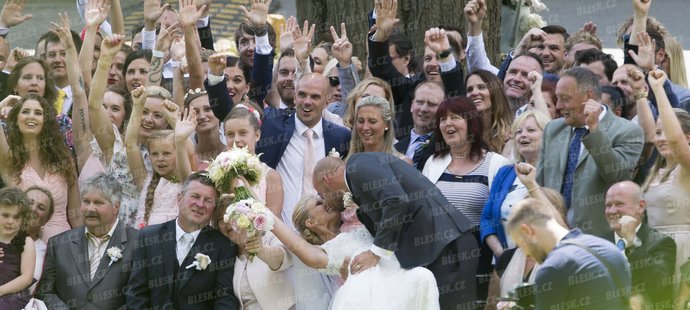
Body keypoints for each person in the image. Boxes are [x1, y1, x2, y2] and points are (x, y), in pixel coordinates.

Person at [313, 154, 480, 309]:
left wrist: (375, 253)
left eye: (322, 194)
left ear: (327, 180)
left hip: (449, 247)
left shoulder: (357, 164)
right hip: (438, 250)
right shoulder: (358, 185)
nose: (326, 202)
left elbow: (396, 201)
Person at [271, 195, 440, 310]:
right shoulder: (321, 254)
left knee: (423, 276)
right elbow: (285, 234)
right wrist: (255, 204)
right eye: (319, 204)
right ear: (311, 222)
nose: (326, 203)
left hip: (397, 279)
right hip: (364, 297)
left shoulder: (363, 224)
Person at [421, 96, 511, 306]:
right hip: (438, 258)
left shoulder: (497, 164)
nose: (447, 123)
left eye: (455, 117)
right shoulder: (433, 163)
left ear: (472, 122)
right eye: (443, 119)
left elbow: (502, 213)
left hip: (480, 258)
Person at [537, 67, 644, 237]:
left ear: (588, 97)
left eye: (565, 99)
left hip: (599, 241)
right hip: (552, 238)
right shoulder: (553, 129)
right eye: (557, 98)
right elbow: (540, 184)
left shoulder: (628, 132)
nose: (558, 106)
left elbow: (615, 175)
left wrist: (595, 130)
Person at [126, 172, 239, 309]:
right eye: (195, 197)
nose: (200, 204)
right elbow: (136, 293)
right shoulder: (148, 237)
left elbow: (224, 299)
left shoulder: (224, 246)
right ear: (179, 199)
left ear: (213, 209)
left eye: (208, 200)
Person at [507, 198, 632, 309]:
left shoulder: (553, 267)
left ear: (527, 231)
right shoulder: (608, 248)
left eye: (521, 244)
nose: (526, 253)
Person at [37, 173, 138, 309]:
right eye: (86, 201)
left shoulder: (138, 243)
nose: (90, 208)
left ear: (116, 206)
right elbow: (45, 291)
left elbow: (140, 295)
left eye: (98, 202)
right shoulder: (59, 244)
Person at [0, 94, 81, 242]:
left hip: (63, 246)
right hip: (23, 247)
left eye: (38, 113)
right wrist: (3, 104)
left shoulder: (64, 159)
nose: (31, 116)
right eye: (25, 112)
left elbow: (75, 215)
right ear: (16, 120)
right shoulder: (10, 160)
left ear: (46, 121)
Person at [640, 69, 690, 275]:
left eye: (667, 132)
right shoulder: (655, 172)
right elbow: (647, 134)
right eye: (658, 132)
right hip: (655, 251)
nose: (662, 138)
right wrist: (640, 95)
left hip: (682, 250)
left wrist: (658, 89)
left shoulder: (685, 168)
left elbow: (676, 141)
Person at [481, 110, 551, 257]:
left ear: (548, 136)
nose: (522, 135)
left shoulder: (555, 172)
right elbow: (486, 218)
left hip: (543, 258)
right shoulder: (505, 172)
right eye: (518, 132)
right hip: (504, 261)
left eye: (531, 130)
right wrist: (501, 252)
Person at [604, 181, 676, 310]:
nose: (612, 211)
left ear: (640, 207)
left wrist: (633, 242)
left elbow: (661, 287)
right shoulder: (598, 243)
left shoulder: (661, 242)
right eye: (608, 205)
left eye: (619, 204)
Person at [213, 197, 295, 309]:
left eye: (231, 213)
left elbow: (282, 259)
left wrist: (261, 250)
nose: (226, 221)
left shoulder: (270, 237)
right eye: (220, 219)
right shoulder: (227, 257)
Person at [223, 105, 284, 217]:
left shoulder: (270, 176)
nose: (236, 139)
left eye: (242, 133)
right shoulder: (219, 171)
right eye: (230, 134)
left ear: (257, 135)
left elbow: (274, 222)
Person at [0, 187, 35, 310]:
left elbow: (26, 278)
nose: (10, 221)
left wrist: (1, 291)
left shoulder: (26, 242)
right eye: (5, 215)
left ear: (23, 219)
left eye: (16, 217)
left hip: (11, 294)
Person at [465, 70, 514, 155]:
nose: (474, 93)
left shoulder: (511, 135)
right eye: (469, 90)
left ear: (495, 93)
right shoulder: (462, 133)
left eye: (481, 87)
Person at [347, 95, 409, 163]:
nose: (365, 127)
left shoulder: (402, 162)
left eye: (372, 122)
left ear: (387, 124)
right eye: (361, 121)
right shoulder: (349, 161)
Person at [24, 186, 54, 294]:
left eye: (41, 208)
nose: (33, 209)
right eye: (29, 203)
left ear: (46, 220)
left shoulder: (48, 252)